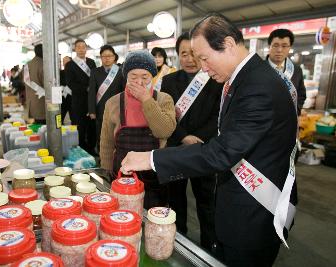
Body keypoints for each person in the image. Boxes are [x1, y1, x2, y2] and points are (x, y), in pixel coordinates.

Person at [121, 13, 298, 267]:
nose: (202, 67)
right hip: (239, 205)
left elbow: (222, 152)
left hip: (253, 213)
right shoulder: (246, 79)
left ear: (226, 44)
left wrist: (150, 158)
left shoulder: (257, 86)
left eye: (204, 58)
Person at [161, 31, 222, 251]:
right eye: (183, 53)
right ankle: (179, 242)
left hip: (205, 149)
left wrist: (199, 138)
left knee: (206, 202)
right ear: (177, 56)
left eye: (193, 53)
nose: (189, 59)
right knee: (176, 200)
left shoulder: (216, 80)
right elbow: (166, 115)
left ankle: (210, 248)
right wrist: (183, 136)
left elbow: (219, 116)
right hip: (177, 148)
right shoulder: (168, 81)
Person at [100, 50, 176, 208]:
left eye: (145, 77)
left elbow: (164, 131)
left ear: (152, 77)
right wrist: (106, 169)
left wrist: (146, 100)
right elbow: (106, 140)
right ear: (126, 76)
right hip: (122, 174)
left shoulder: (164, 99)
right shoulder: (113, 102)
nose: (139, 82)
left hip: (154, 174)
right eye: (133, 77)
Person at [88, 45, 125, 152]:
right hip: (100, 110)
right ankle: (102, 156)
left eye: (110, 56)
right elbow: (91, 93)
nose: (107, 58)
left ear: (114, 57)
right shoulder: (95, 72)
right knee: (101, 134)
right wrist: (92, 111)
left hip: (117, 109)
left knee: (117, 133)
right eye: (104, 56)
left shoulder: (120, 71)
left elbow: (124, 91)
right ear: (100, 58)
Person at [64, 39, 97, 154]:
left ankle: (91, 148)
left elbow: (95, 79)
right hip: (78, 101)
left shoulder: (92, 63)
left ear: (86, 48)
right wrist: (85, 88)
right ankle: (81, 149)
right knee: (80, 126)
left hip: (92, 100)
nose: (81, 49)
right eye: (79, 47)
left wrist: (92, 89)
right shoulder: (70, 65)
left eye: (83, 47)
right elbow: (70, 83)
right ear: (75, 49)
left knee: (92, 126)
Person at [267, 29, 306, 115]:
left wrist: (296, 111)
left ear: (290, 48)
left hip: (288, 121)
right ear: (269, 46)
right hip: (263, 121)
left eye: (284, 46)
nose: (279, 50)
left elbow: (301, 94)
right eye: (275, 45)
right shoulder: (257, 68)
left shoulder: (297, 70)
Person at [24, 44, 46, 124]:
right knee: (44, 128)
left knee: (37, 125)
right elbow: (47, 85)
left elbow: (25, 82)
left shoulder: (27, 64)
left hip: (31, 101)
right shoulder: (44, 64)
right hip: (43, 102)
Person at [60, 56, 72, 122]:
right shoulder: (60, 73)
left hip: (72, 100)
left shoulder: (75, 72)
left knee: (74, 120)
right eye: (63, 61)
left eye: (67, 62)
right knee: (60, 120)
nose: (65, 63)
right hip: (62, 100)